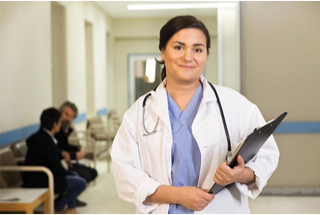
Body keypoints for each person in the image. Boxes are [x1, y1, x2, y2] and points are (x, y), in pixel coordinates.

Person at [111, 15, 280, 214]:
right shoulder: (139, 112)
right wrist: (177, 195)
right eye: (178, 47)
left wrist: (240, 174)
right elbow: (126, 176)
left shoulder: (234, 104)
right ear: (163, 52)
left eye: (197, 49)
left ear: (205, 55)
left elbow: (267, 155)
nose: (188, 57)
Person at [23, 108, 86, 215]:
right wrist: (69, 174)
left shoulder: (41, 136)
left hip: (37, 176)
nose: (60, 125)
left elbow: (48, 154)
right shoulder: (47, 141)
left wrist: (60, 152)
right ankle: (57, 207)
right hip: (42, 179)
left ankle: (71, 208)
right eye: (59, 122)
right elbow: (57, 168)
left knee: (74, 176)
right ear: (54, 124)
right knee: (81, 183)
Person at [55, 101, 98, 206]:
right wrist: (74, 155)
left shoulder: (66, 128)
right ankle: (65, 201)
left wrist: (77, 148)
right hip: (59, 165)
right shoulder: (54, 129)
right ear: (60, 112)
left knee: (93, 172)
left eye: (72, 117)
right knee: (83, 176)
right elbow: (57, 150)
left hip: (66, 162)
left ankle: (71, 197)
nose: (68, 119)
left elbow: (64, 146)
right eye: (66, 114)